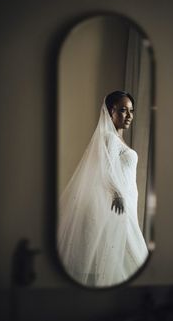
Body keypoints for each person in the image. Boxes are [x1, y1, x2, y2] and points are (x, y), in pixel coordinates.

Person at [58, 91, 148, 287]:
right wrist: (116, 193)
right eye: (123, 110)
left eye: (131, 111)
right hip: (120, 203)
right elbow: (104, 168)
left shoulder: (118, 139)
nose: (129, 115)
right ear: (110, 111)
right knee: (133, 252)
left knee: (126, 253)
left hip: (128, 202)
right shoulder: (108, 137)